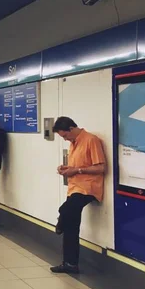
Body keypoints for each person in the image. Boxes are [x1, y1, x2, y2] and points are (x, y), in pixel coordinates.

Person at [51, 117, 106, 274]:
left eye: (65, 136)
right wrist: (67, 168)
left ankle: (60, 222)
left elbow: (101, 167)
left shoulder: (91, 140)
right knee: (71, 226)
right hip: (74, 187)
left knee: (65, 211)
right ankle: (70, 263)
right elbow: (78, 165)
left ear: (71, 128)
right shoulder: (73, 144)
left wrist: (77, 170)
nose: (65, 139)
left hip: (88, 188)